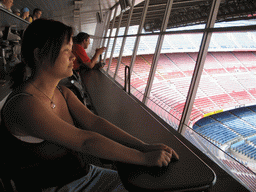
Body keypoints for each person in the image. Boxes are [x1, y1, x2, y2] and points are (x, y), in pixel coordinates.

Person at [0, 19, 179, 191]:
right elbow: (85, 141)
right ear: (39, 55)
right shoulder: (24, 104)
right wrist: (144, 158)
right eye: (66, 50)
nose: (73, 55)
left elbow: (94, 123)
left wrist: (143, 146)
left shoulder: (62, 92)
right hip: (59, 186)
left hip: (84, 175)